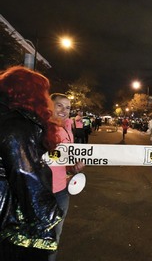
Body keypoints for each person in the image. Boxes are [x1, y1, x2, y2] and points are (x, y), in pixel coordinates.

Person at [0, 66, 63, 260]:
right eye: (44, 91)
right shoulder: (17, 127)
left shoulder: (10, 122)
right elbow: (26, 176)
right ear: (31, 94)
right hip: (15, 231)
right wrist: (49, 220)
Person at [48, 93, 85, 261]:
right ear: (49, 105)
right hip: (41, 189)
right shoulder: (41, 126)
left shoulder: (67, 126)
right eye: (59, 105)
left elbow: (66, 159)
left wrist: (74, 166)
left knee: (56, 234)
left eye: (68, 107)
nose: (64, 110)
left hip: (62, 190)